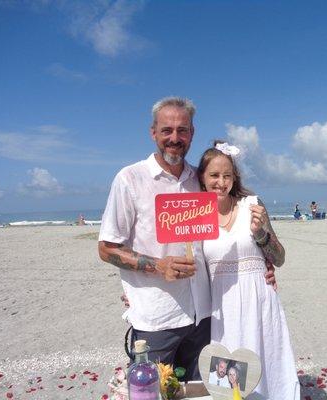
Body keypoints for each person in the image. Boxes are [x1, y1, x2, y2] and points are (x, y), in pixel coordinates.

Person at [98, 97, 275, 381]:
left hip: (204, 319)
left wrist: (259, 264)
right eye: (167, 130)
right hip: (157, 319)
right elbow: (106, 248)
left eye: (183, 130)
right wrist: (158, 266)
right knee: (151, 392)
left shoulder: (201, 180)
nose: (175, 138)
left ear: (192, 133)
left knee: (202, 392)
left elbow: (229, 229)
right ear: (152, 132)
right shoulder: (130, 179)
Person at [198, 141, 300, 400]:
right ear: (202, 177)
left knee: (266, 364)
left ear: (235, 178)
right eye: (214, 175)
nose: (221, 182)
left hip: (259, 299)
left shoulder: (252, 205)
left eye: (227, 176)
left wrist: (261, 234)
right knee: (227, 376)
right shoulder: (195, 216)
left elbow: (279, 258)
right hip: (223, 308)